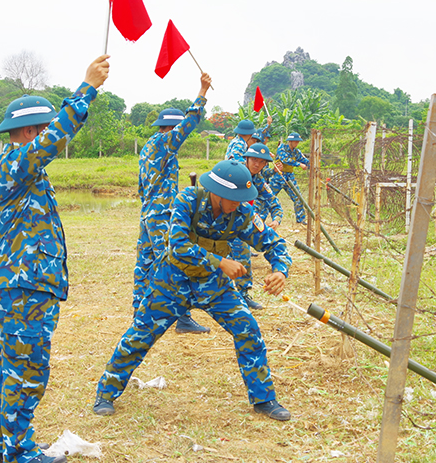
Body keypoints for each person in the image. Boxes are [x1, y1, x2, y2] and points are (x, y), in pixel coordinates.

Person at [93, 160, 293, 421]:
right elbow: (177, 245)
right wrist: (220, 262)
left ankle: (264, 400)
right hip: (172, 281)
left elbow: (273, 242)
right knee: (140, 335)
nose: (238, 204)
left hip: (213, 285)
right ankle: (106, 393)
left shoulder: (242, 213)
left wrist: (280, 269)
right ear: (217, 193)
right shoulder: (187, 200)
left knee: (248, 329)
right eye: (233, 198)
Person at [0, 55, 110, 463]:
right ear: (27, 132)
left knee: (11, 365)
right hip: (24, 289)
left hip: (25, 286)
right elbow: (53, 140)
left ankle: (2, 443)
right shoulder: (15, 162)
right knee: (27, 369)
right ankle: (19, 453)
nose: (46, 135)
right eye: (41, 129)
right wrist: (87, 88)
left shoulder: (25, 169)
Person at [134, 72, 213, 334]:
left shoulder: (147, 147)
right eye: (176, 130)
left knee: (145, 264)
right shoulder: (165, 143)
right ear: (169, 128)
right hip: (161, 214)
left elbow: (141, 186)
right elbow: (188, 124)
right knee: (175, 260)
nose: (179, 136)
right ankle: (182, 318)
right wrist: (202, 93)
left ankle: (139, 314)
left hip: (148, 213)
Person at [228, 143, 284, 310]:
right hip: (220, 219)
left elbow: (274, 202)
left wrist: (277, 219)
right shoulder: (235, 171)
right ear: (246, 159)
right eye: (253, 160)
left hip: (240, 224)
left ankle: (243, 294)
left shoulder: (258, 180)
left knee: (242, 255)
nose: (256, 164)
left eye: (261, 162)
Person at [268, 131, 310, 224]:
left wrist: (312, 164)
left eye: (298, 141)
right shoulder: (282, 148)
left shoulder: (296, 152)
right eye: (295, 141)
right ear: (290, 141)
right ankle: (260, 216)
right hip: (279, 176)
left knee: (297, 197)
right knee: (269, 197)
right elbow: (285, 159)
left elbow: (304, 160)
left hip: (290, 177)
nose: (297, 143)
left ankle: (301, 219)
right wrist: (299, 164)